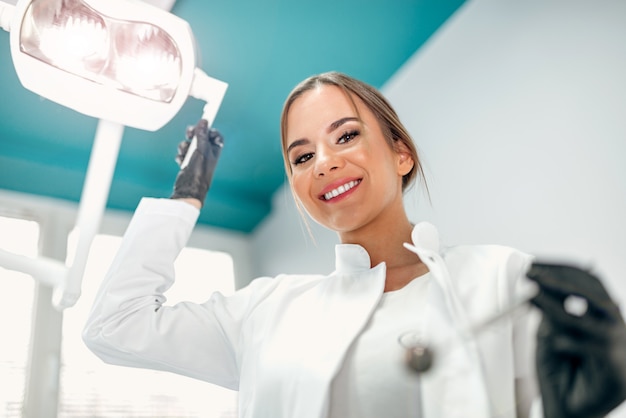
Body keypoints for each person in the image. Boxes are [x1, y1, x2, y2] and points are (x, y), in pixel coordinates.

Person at [82, 71, 626, 418]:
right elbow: (114, 326)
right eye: (301, 156)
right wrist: (185, 199)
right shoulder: (263, 313)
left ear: (401, 153)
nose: (324, 162)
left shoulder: (504, 279)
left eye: (345, 136)